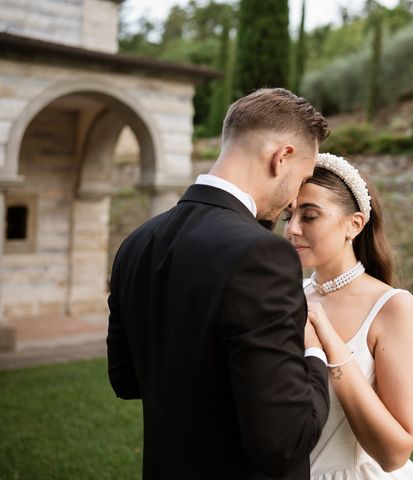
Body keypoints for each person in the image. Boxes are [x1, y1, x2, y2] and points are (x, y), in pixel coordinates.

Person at [107, 88, 332, 479]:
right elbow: (286, 441)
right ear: (282, 158)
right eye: (304, 178)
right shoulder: (263, 255)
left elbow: (126, 380)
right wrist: (314, 355)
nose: (296, 198)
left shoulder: (137, 242)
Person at [283, 153, 413, 479]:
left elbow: (394, 453)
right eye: (288, 216)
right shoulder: (288, 298)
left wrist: (331, 345)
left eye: (309, 216)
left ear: (355, 224)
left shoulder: (393, 307)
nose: (292, 229)